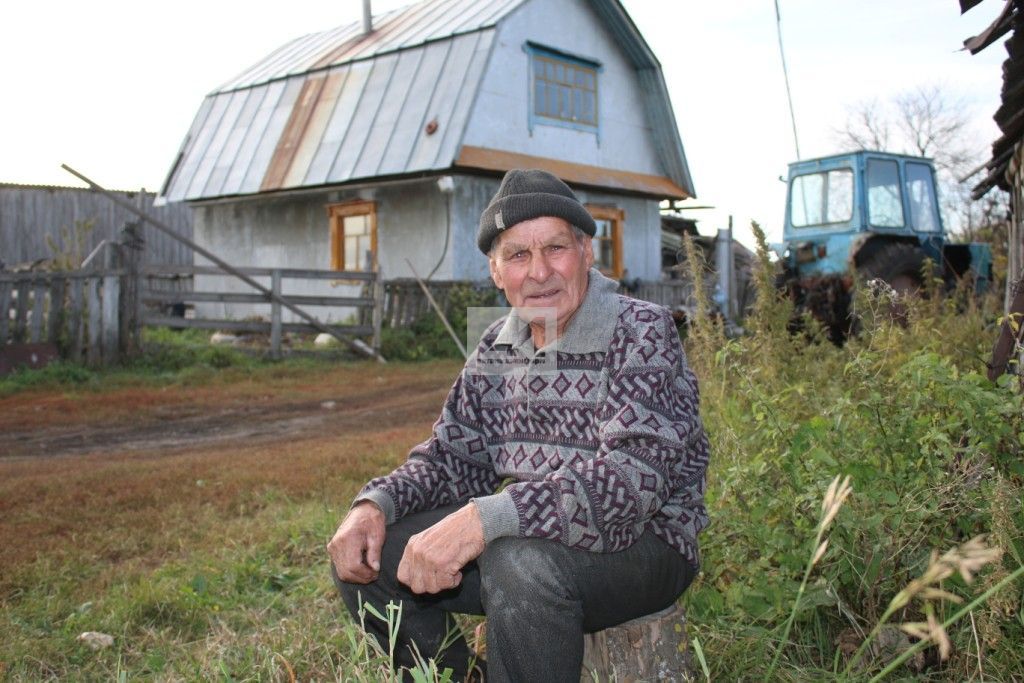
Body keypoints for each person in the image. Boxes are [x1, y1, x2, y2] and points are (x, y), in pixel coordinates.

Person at [327, 169, 709, 682]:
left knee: (515, 558)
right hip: (533, 546)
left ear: (587, 253)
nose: (539, 272)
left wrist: (486, 519)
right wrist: (374, 505)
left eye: (555, 248)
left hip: (647, 546)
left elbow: (633, 483)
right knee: (367, 553)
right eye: (518, 255)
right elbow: (452, 458)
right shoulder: (498, 344)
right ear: (495, 271)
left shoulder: (640, 329)